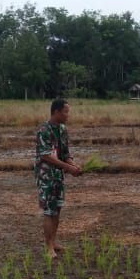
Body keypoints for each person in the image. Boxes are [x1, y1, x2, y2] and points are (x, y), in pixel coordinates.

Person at [35, 98, 82, 258]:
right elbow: (47, 156)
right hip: (46, 176)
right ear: (56, 112)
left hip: (58, 176)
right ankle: (48, 247)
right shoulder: (44, 130)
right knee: (49, 210)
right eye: (66, 112)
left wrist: (73, 165)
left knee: (57, 209)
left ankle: (54, 242)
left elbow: (65, 154)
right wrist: (67, 167)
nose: (68, 115)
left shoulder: (62, 129)